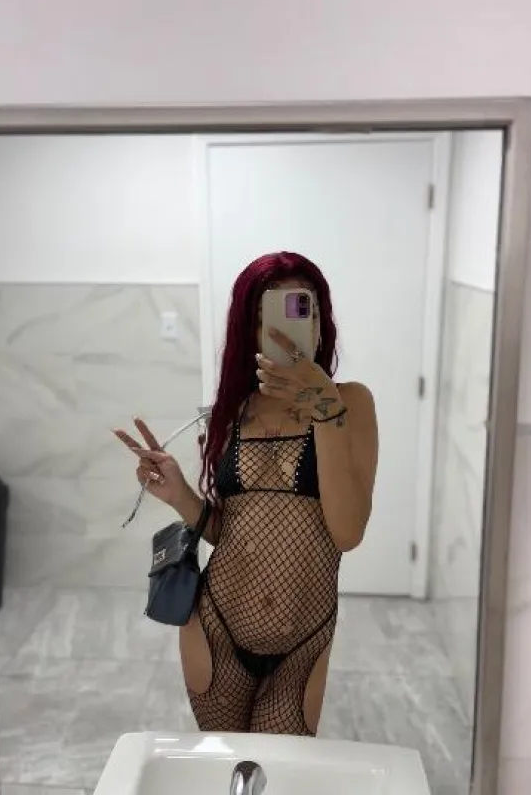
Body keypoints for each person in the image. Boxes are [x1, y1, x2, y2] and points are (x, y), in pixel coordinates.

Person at [114, 251, 378, 736]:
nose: (284, 331)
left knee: (277, 770)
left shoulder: (350, 403)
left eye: (303, 310)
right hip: (216, 625)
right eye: (264, 317)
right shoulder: (232, 412)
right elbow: (229, 531)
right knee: (224, 769)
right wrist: (179, 494)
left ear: (320, 321)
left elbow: (347, 533)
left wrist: (324, 409)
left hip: (303, 639)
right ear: (246, 329)